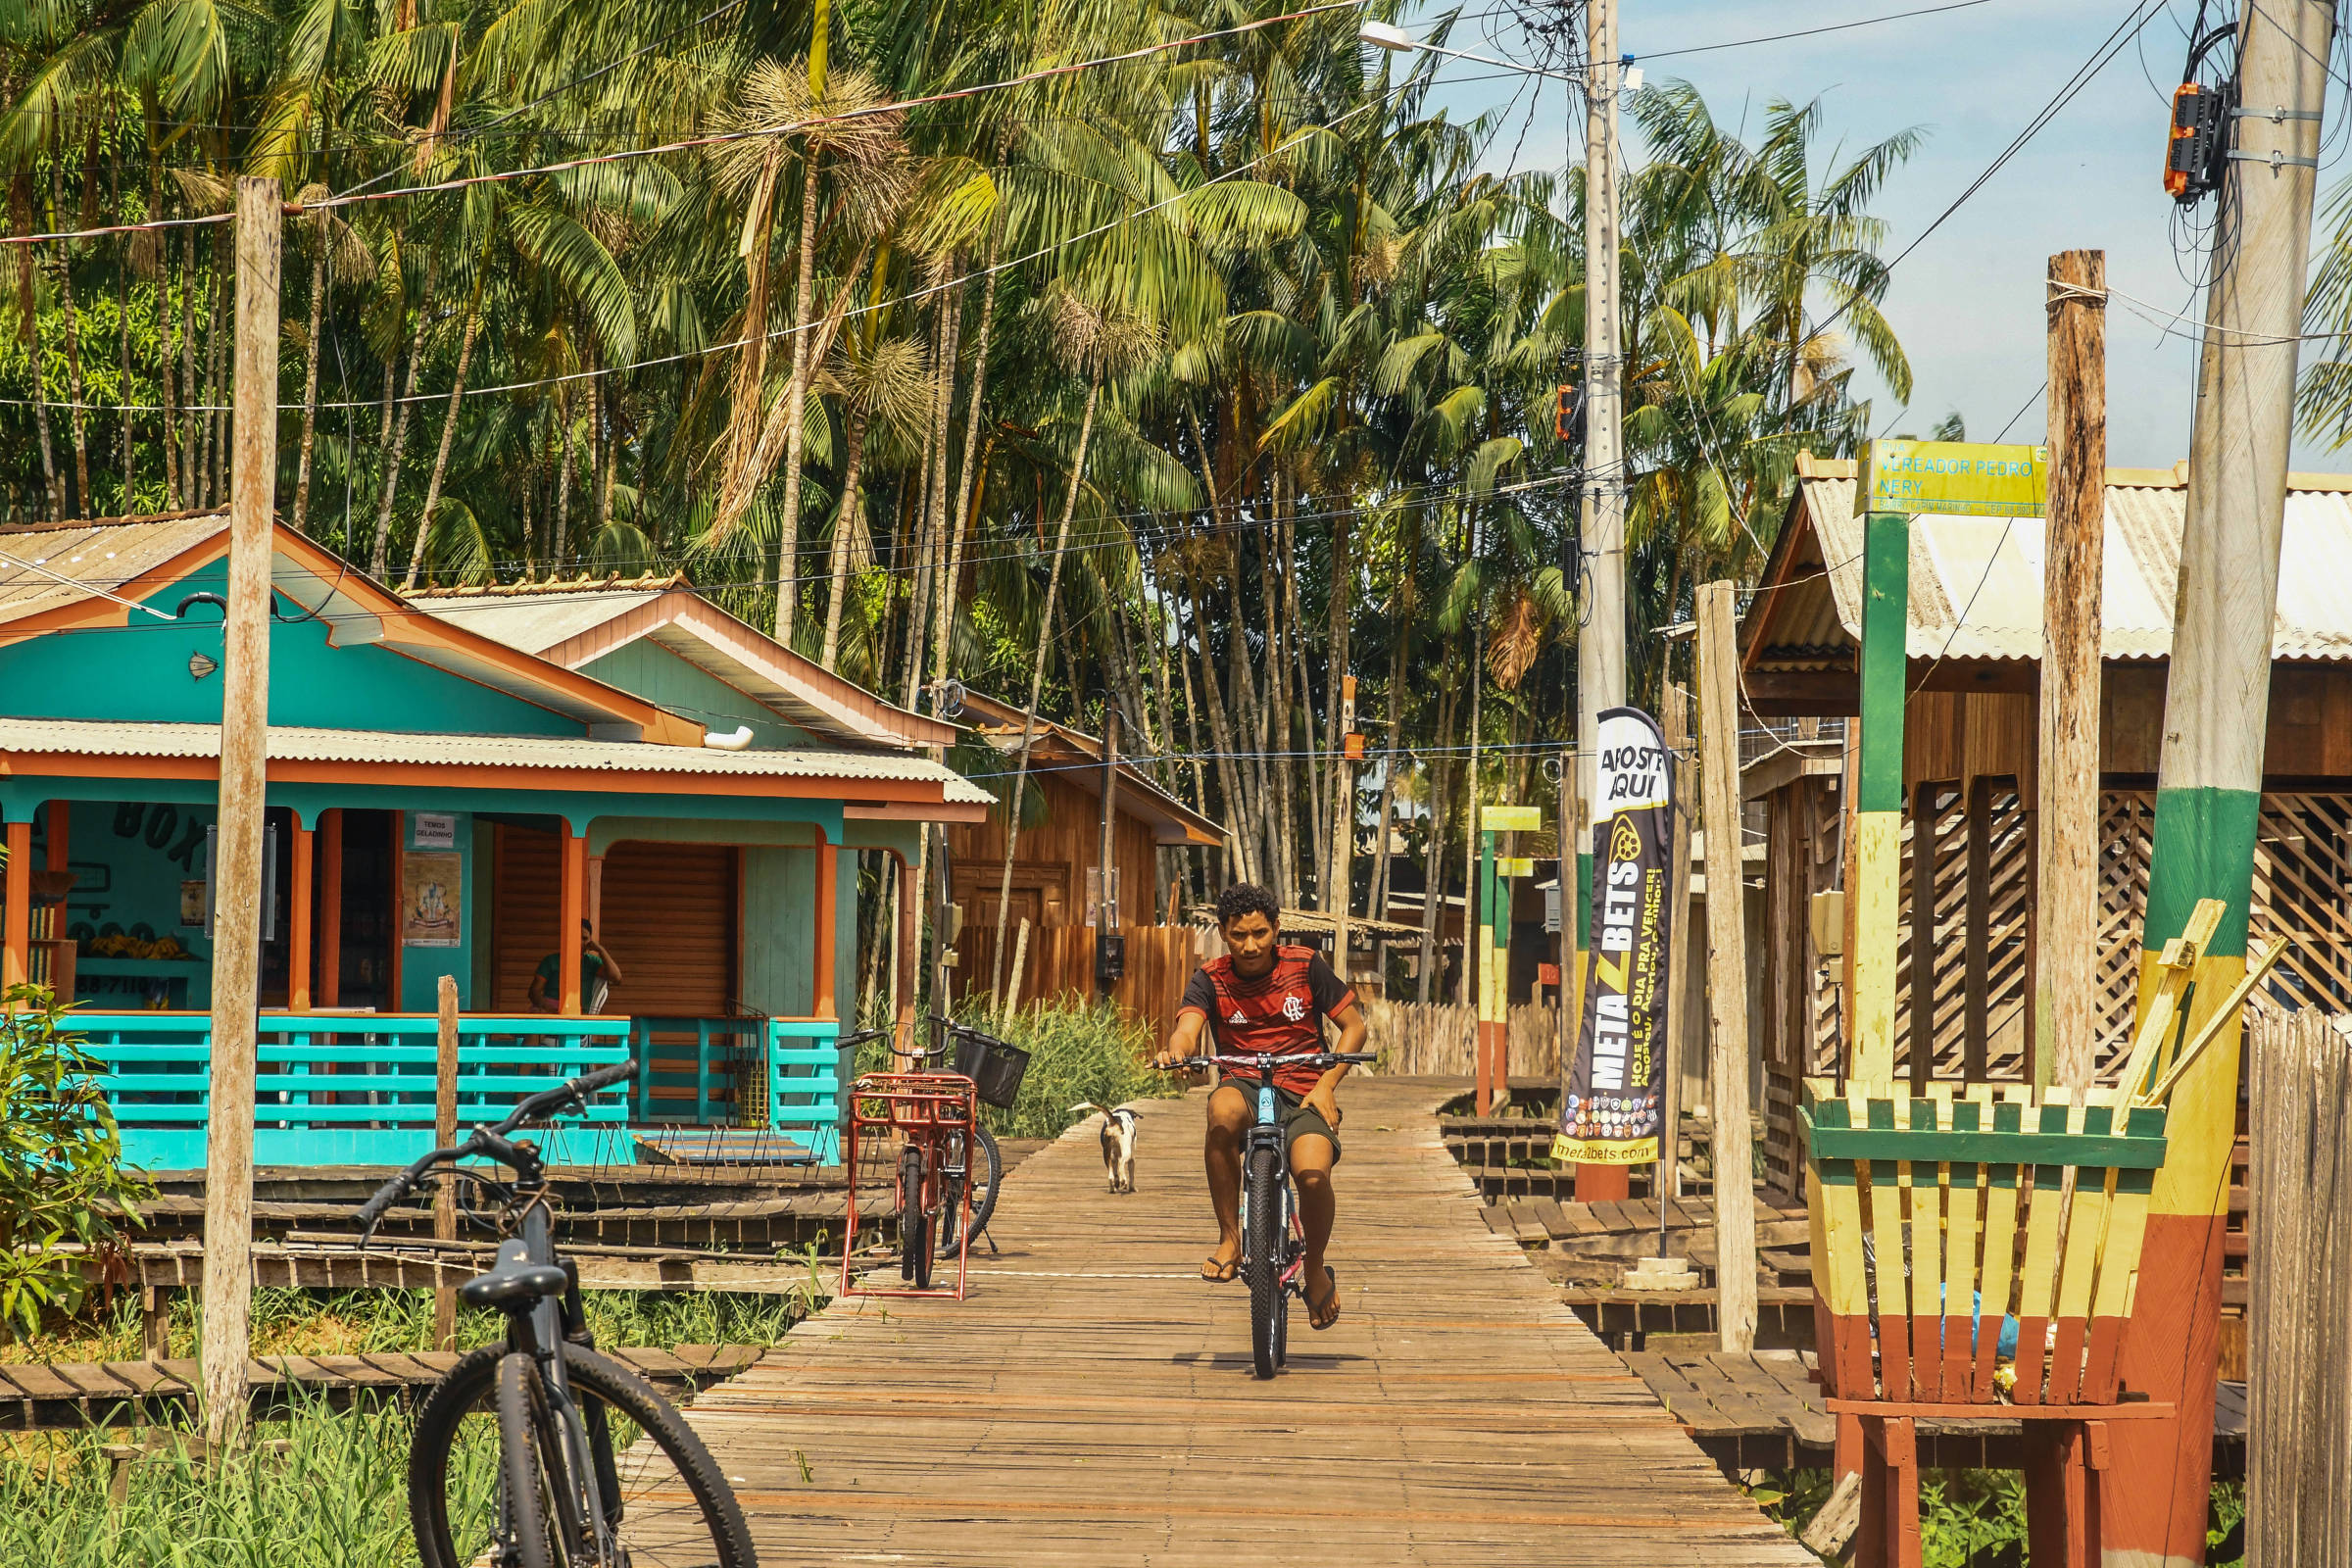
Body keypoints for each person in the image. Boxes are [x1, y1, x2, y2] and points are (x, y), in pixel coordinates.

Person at [1154, 881, 1368, 1331]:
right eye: (1238, 936)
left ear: (1276, 929)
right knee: (1221, 1113)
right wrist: (1177, 1049)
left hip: (1307, 1089)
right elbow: (1187, 1028)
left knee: (1312, 1176)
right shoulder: (1209, 978)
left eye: (1259, 934)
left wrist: (1328, 1085)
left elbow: (1354, 1028)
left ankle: (1314, 1269)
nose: (1249, 946)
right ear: (1223, 934)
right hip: (1245, 1085)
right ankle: (1231, 1238)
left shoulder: (1306, 965)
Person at [529, 919, 624, 1015]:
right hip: (550, 1013)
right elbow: (534, 992)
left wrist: (601, 950)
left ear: (590, 941)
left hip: (580, 1016)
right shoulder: (551, 961)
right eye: (575, 936)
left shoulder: (592, 962)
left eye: (584, 938)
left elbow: (616, 978)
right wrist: (549, 1009)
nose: (579, 942)